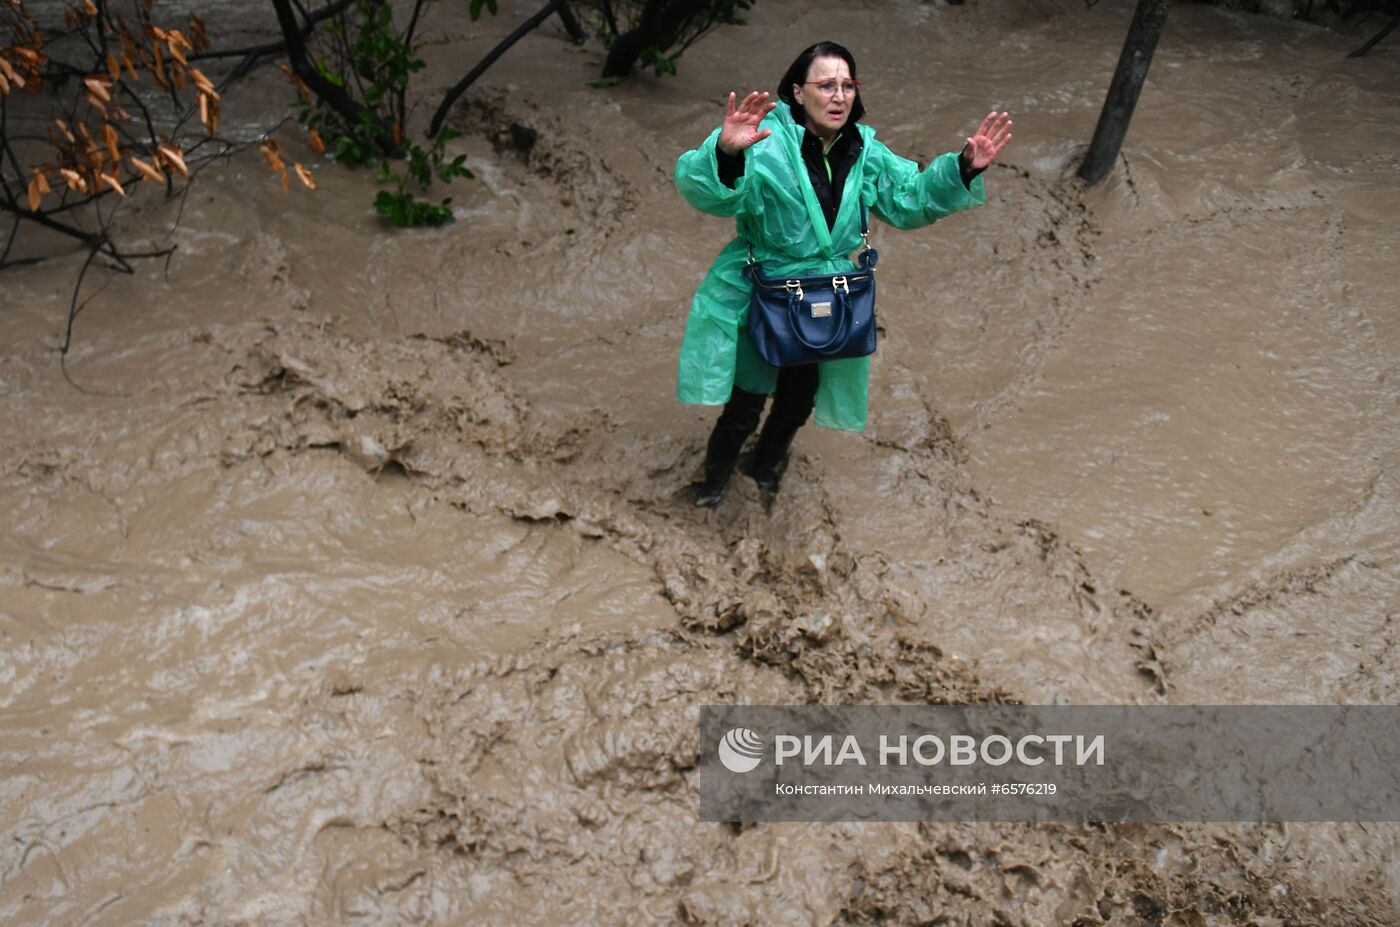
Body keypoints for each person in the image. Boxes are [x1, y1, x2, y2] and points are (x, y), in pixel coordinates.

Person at [673, 41, 1012, 508]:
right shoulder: (764, 141)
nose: (839, 96)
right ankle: (710, 490)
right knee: (746, 402)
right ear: (797, 91)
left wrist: (962, 169)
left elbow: (909, 200)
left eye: (847, 85)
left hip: (828, 295)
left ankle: (764, 471)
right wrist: (727, 154)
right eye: (826, 85)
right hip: (766, 288)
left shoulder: (864, 149)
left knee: (798, 399)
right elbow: (709, 195)